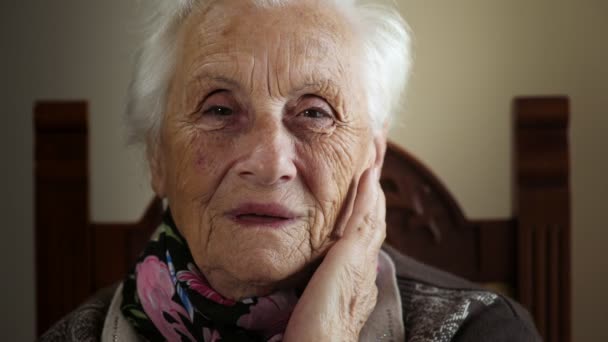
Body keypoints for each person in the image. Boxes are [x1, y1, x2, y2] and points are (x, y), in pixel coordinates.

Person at [41, 0, 540, 341]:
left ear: (372, 156)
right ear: (157, 157)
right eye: (219, 110)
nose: (269, 163)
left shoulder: (481, 332)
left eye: (315, 112)